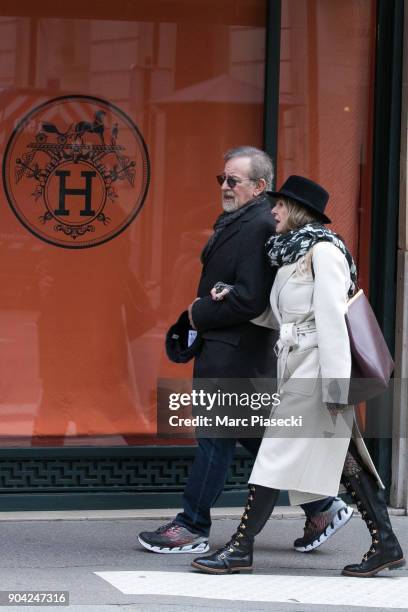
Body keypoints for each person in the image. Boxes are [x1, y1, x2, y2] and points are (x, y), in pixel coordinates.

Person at [191, 175, 405, 577]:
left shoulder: (324, 252)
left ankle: (241, 548)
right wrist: (230, 297)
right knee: (347, 459)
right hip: (295, 366)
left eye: (279, 205)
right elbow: (282, 316)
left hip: (317, 369)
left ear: (296, 211)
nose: (272, 210)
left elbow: (331, 320)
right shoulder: (292, 254)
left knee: (274, 455)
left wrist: (337, 386)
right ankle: (387, 545)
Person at [138, 151, 350, 555]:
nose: (224, 186)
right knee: (258, 440)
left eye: (234, 181)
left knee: (215, 441)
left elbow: (253, 300)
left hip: (236, 354)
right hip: (237, 352)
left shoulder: (257, 225)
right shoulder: (248, 221)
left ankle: (191, 524)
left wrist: (198, 313)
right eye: (223, 178)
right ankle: (322, 506)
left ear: (259, 187)